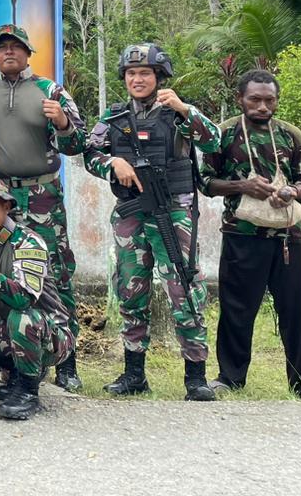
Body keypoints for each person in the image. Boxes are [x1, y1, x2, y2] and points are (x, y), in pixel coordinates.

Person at [84, 43, 221, 401]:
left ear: (159, 77)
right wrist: (113, 164)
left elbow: (213, 141)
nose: (138, 79)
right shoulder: (112, 118)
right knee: (130, 289)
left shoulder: (176, 114)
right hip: (131, 214)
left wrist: (184, 108)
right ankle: (134, 374)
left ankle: (195, 377)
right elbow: (90, 152)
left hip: (174, 211)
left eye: (145, 73)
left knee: (184, 288)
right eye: (131, 74)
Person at [0, 24, 87, 390]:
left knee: (56, 273)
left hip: (42, 194)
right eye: (1, 48)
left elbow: (77, 142)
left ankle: (67, 361)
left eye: (16, 47)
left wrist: (62, 122)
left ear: (28, 53)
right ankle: (12, 360)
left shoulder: (50, 90)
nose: (9, 53)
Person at [199, 69, 301, 400]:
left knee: (296, 309)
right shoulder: (223, 134)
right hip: (241, 235)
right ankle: (230, 377)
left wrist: (292, 192)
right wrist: (242, 185)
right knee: (236, 309)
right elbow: (205, 181)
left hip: (287, 237)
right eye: (254, 99)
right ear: (240, 98)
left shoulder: (291, 135)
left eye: (269, 100)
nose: (262, 106)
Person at [0, 174, 73, 420]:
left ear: (6, 207)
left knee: (22, 318)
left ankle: (28, 391)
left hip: (50, 334)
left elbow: (24, 300)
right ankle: (14, 373)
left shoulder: (28, 242)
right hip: (4, 327)